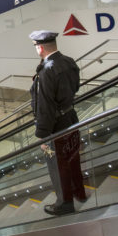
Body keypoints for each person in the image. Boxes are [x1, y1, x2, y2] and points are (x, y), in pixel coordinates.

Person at [29, 30, 86, 216]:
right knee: (73, 157)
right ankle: (79, 192)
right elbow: (76, 86)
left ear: (40, 48)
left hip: (56, 126)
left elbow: (45, 106)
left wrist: (43, 135)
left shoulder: (47, 71)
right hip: (71, 119)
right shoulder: (69, 61)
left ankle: (65, 203)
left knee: (58, 164)